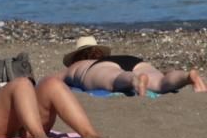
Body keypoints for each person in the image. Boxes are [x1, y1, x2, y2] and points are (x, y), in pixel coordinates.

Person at [57, 36, 207, 96]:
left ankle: (133, 80)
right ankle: (187, 76)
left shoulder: (77, 66)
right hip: (132, 60)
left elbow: (53, 80)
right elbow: (161, 72)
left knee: (115, 78)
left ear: (75, 58)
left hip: (100, 68)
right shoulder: (111, 57)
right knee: (160, 82)